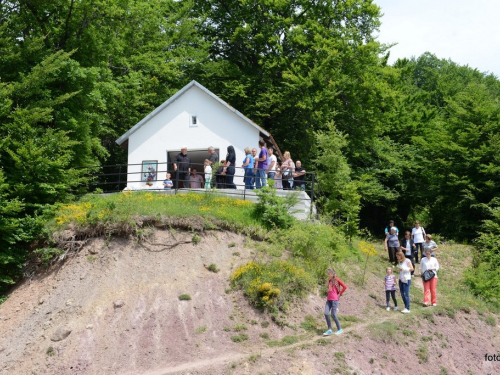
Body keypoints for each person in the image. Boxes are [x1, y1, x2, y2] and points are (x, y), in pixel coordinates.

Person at [323, 268, 346, 336]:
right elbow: (330, 291)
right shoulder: (330, 281)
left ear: (333, 273)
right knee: (326, 313)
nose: (328, 274)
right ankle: (330, 329)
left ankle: (340, 329)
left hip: (334, 300)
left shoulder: (337, 280)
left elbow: (344, 287)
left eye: (329, 273)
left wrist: (340, 293)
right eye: (327, 273)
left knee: (333, 315)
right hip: (329, 300)